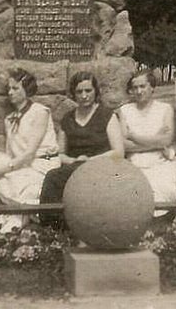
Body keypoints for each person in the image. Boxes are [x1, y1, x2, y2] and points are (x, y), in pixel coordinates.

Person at [0, 67, 60, 231]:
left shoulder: (40, 112)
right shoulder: (9, 119)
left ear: (27, 90)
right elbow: (11, 154)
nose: (10, 93)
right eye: (9, 89)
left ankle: (14, 214)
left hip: (42, 167)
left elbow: (29, 154)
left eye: (15, 88)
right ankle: (17, 210)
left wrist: (0, 170)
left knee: (5, 177)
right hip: (21, 167)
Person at [39, 71, 125, 223]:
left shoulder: (107, 115)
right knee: (52, 177)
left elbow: (118, 152)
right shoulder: (68, 119)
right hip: (74, 166)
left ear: (95, 91)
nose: (84, 95)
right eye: (79, 91)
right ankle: (52, 227)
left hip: (102, 165)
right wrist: (74, 161)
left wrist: (89, 161)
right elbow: (60, 153)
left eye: (88, 90)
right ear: (73, 94)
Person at [117, 69, 176, 216]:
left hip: (160, 162)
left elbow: (167, 139)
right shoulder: (125, 110)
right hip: (134, 164)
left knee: (163, 186)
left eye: (142, 86)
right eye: (135, 88)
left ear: (152, 87)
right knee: (132, 194)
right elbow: (123, 144)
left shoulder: (165, 109)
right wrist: (156, 141)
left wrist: (132, 136)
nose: (139, 91)